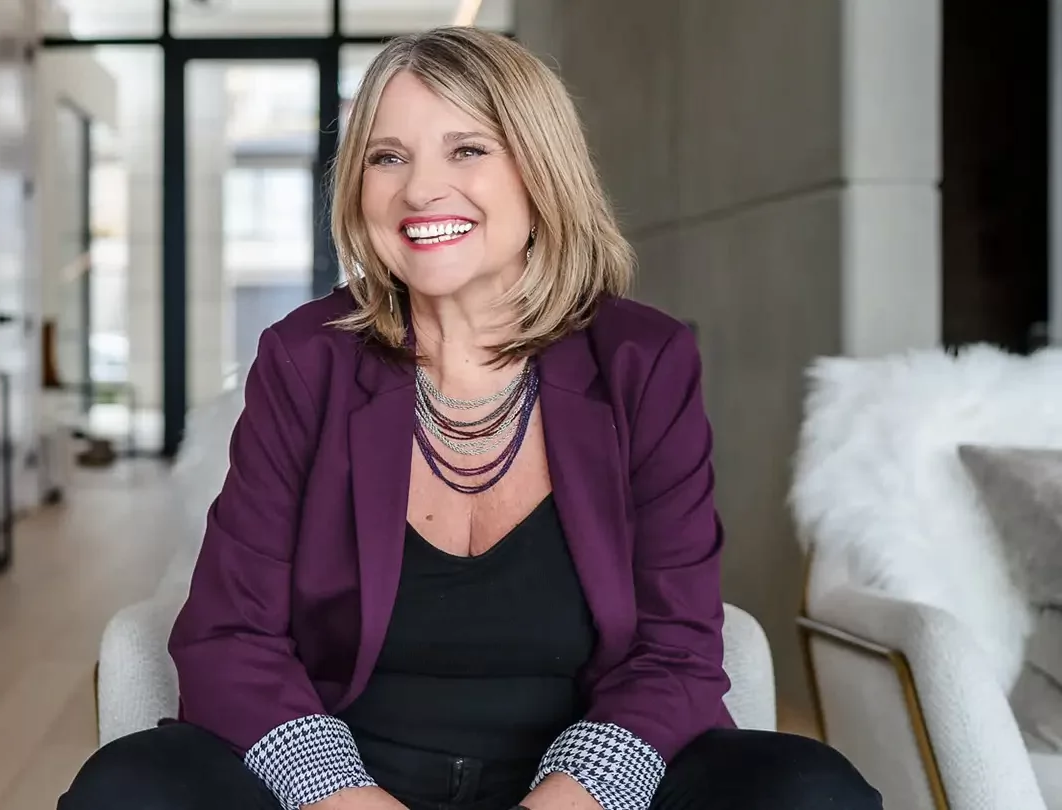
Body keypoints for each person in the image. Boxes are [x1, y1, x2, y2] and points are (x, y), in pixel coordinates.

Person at [59, 26, 881, 810]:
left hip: (583, 779)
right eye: (388, 157)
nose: (420, 189)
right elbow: (230, 635)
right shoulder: (305, 359)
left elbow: (677, 649)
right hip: (345, 772)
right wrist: (344, 796)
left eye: (468, 149)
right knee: (129, 790)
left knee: (813, 793)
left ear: (540, 172)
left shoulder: (644, 362)